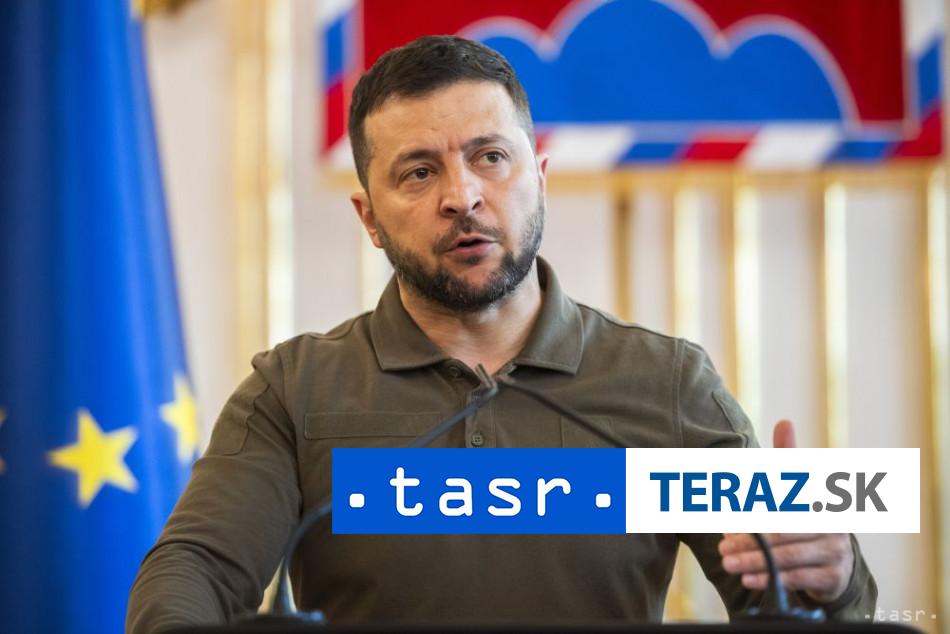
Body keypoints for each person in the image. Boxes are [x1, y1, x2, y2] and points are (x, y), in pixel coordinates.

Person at [126, 35, 875, 633]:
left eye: (490, 157)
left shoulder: (665, 382)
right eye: (419, 173)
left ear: (538, 176)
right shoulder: (293, 391)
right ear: (370, 218)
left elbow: (789, 595)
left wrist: (829, 571)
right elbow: (193, 573)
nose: (463, 196)